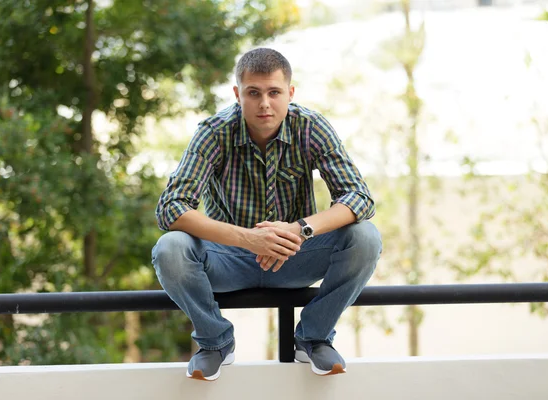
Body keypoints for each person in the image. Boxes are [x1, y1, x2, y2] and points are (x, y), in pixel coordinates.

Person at [152, 48, 382, 381]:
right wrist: (249, 238)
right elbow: (170, 206)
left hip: (296, 255)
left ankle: (313, 338)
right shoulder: (214, 132)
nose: (264, 104)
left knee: (366, 237)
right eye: (253, 93)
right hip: (226, 259)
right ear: (237, 94)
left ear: (290, 93)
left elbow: (359, 197)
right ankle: (215, 343)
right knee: (169, 248)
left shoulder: (310, 127)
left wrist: (298, 230)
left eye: (274, 92)